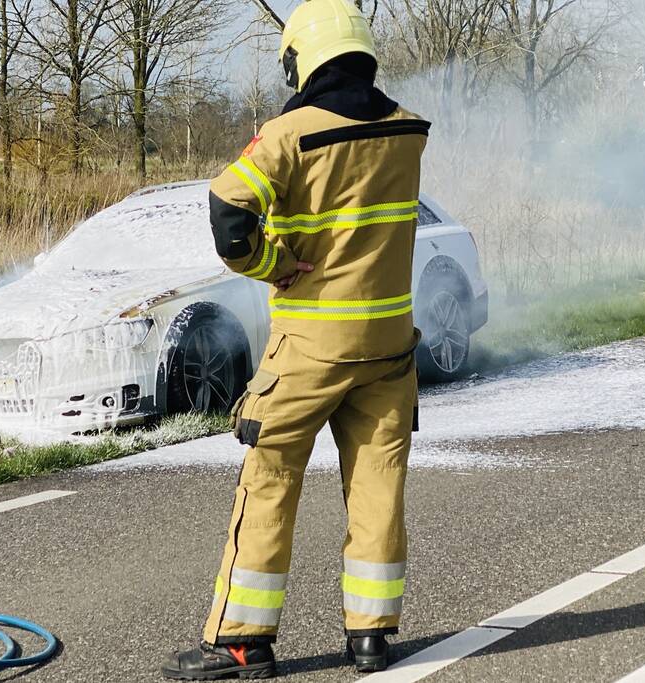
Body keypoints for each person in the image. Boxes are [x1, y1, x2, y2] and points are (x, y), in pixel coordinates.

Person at [161, 0, 429, 678]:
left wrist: (271, 265)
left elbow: (228, 209)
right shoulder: (408, 130)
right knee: (377, 486)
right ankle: (371, 637)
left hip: (311, 346)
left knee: (269, 476)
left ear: (303, 56)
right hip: (390, 347)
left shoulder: (291, 133)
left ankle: (242, 641)